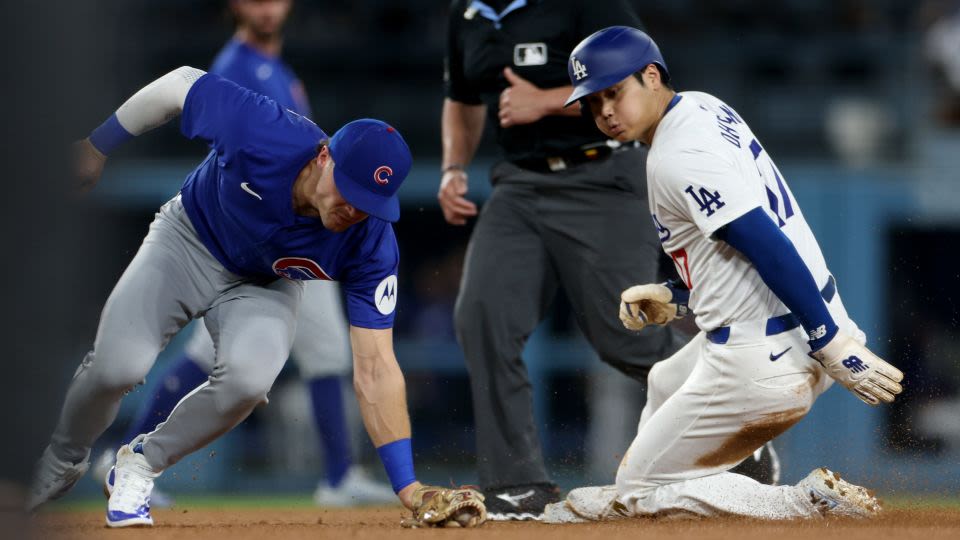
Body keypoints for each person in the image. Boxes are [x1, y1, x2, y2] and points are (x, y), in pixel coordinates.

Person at [25, 66, 486, 529]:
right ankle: (64, 458)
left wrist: (407, 486)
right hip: (188, 240)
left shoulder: (371, 242)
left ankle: (141, 463)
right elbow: (179, 84)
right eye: (350, 191)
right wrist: (97, 145)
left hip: (264, 283)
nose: (354, 210)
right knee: (116, 368)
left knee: (248, 381)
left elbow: (377, 366)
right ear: (324, 156)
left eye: (370, 203)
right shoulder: (266, 131)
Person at [542, 26, 905, 522]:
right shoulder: (702, 106)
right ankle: (741, 475)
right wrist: (677, 297)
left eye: (614, 92)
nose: (604, 110)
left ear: (652, 76)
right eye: (593, 101)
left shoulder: (676, 157)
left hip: (767, 354)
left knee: (636, 492)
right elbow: (740, 251)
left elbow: (763, 241)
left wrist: (833, 342)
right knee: (667, 378)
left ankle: (802, 504)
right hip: (795, 319)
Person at [440, 0, 777, 520]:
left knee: (624, 333)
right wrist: (452, 167)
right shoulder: (467, 13)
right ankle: (517, 484)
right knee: (481, 316)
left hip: (601, 178)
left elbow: (641, 89)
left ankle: (738, 434)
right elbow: (462, 97)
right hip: (519, 184)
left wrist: (546, 102)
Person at [89, 0, 394, 508]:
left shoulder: (277, 68)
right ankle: (338, 477)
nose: (268, 7)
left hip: (297, 230)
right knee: (308, 353)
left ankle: (339, 473)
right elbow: (233, 145)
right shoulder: (237, 63)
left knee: (238, 355)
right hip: (268, 234)